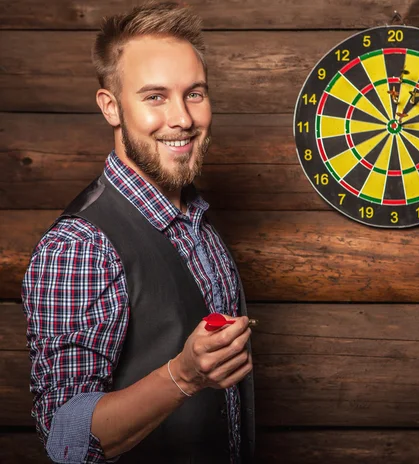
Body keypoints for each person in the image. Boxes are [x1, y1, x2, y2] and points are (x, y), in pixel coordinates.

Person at [21, 2, 254, 463]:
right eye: (154, 97)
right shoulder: (79, 246)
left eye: (194, 93)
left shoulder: (195, 217)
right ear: (111, 108)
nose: (183, 118)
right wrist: (184, 375)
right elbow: (66, 440)